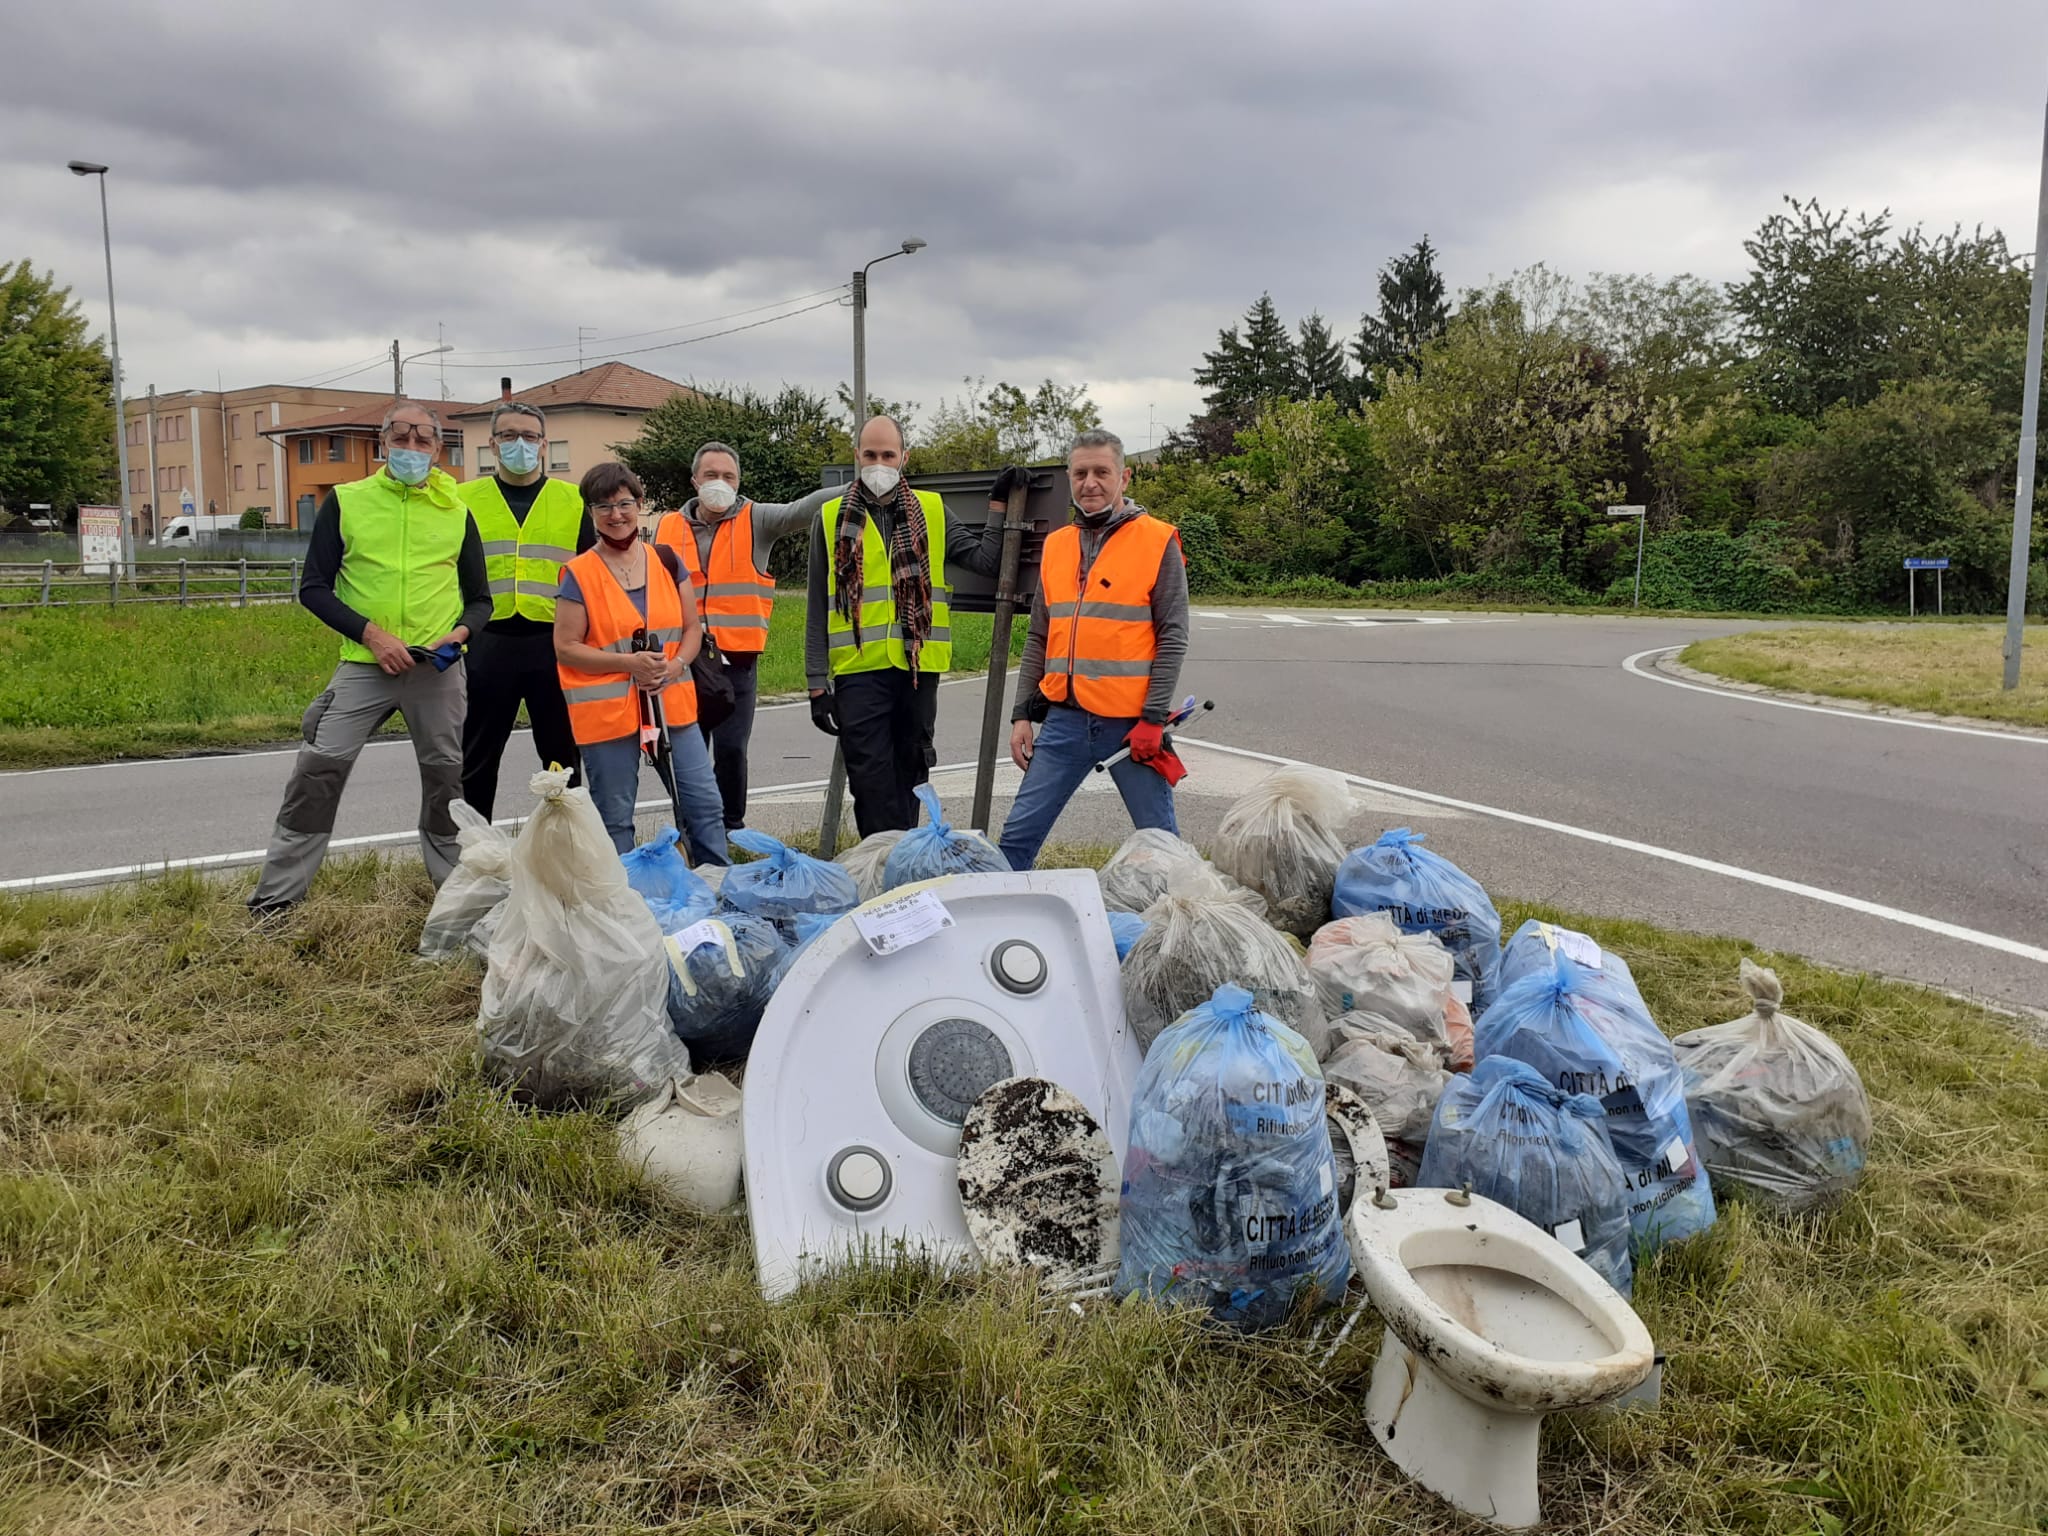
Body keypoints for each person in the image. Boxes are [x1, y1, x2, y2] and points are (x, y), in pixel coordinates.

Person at [248, 401, 491, 916]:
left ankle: (456, 907)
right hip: (364, 666)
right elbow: (313, 588)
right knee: (316, 775)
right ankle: (275, 904)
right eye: (400, 438)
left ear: (439, 450)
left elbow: (480, 599)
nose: (411, 448)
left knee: (445, 787)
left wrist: (462, 632)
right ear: (382, 444)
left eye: (423, 440)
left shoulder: (456, 511)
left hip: (436, 673)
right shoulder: (347, 501)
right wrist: (373, 636)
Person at [996, 429, 1189, 871]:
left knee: (1164, 850)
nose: (1090, 482)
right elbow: (1039, 637)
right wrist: (1021, 715)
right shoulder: (1057, 545)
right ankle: (999, 925)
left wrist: (1153, 720)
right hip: (1063, 720)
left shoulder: (1158, 541)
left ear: (1124, 478)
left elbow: (1173, 636)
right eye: (1081, 473)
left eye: (1102, 472)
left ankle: (1185, 930)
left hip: (1131, 729)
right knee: (1015, 842)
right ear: (1069, 477)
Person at [804, 414, 1001, 836]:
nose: (879, 463)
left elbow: (985, 562)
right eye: (870, 454)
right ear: (857, 456)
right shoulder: (830, 516)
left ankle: (906, 859)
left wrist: (999, 507)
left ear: (904, 458)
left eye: (888, 454)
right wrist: (816, 682)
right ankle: (880, 862)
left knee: (912, 769)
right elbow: (816, 604)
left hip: (918, 667)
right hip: (858, 669)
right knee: (869, 777)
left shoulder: (932, 509)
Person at [554, 461, 729, 865]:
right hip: (607, 715)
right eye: (604, 507)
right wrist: (629, 663)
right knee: (615, 817)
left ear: (639, 505)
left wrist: (675, 666)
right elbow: (566, 647)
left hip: (672, 703)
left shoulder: (666, 562)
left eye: (624, 503)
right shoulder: (579, 574)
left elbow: (691, 629)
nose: (616, 515)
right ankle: (623, 901)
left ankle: (716, 885)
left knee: (703, 804)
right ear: (592, 513)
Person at [653, 442, 834, 830]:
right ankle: (690, 825)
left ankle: (731, 825)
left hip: (736, 661)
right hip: (682, 662)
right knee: (686, 750)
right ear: (694, 480)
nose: (719, 483)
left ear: (739, 482)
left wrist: (862, 484)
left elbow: (803, 509)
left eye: (728, 476)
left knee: (732, 749)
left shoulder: (758, 519)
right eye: (711, 475)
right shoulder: (667, 527)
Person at [458, 400, 594, 817]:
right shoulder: (461, 498)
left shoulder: (574, 500)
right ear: (493, 445)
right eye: (509, 435)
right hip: (486, 640)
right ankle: (475, 850)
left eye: (529, 436)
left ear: (544, 444)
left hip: (552, 643)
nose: (520, 444)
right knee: (477, 754)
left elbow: (591, 575)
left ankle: (563, 845)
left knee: (560, 755)